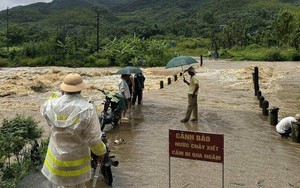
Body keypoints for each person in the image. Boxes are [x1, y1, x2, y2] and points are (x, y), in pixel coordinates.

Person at [40, 73, 107, 188]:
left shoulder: (50, 105)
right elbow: (93, 139)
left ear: (63, 88)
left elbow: (47, 114)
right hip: (77, 165)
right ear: (81, 89)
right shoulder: (87, 109)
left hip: (56, 161)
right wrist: (101, 152)